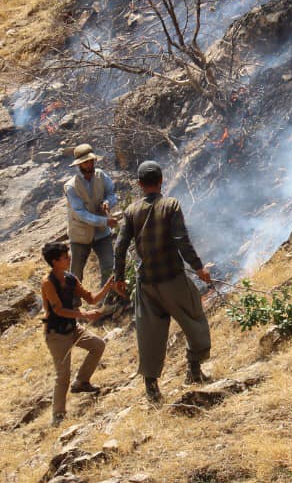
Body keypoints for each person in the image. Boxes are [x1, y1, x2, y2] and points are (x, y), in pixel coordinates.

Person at [113, 160, 213, 404]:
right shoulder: (171, 205)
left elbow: (119, 246)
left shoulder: (131, 211)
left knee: (149, 335)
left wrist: (118, 277)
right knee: (194, 319)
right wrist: (198, 268)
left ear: (139, 184)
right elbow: (182, 240)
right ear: (161, 181)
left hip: (146, 283)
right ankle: (194, 370)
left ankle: (152, 388)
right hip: (173, 278)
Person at [40, 241, 118, 423]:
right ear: (54, 261)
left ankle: (82, 382)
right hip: (57, 333)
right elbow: (58, 310)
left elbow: (90, 298)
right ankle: (58, 415)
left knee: (98, 345)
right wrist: (84, 314)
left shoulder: (70, 278)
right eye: (65, 258)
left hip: (72, 328)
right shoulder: (48, 283)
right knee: (63, 375)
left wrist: (108, 286)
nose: (69, 259)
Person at [65, 143, 120, 311]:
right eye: (85, 163)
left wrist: (107, 202)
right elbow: (81, 213)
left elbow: (112, 194)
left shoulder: (101, 176)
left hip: (101, 233)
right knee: (76, 272)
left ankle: (107, 301)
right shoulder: (71, 186)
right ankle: (73, 305)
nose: (89, 165)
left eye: (90, 162)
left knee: (109, 265)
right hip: (80, 235)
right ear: (79, 165)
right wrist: (104, 221)